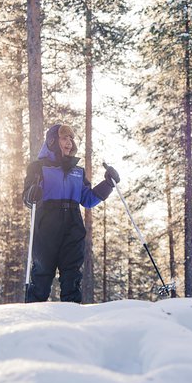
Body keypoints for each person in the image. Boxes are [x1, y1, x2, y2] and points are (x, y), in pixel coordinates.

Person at [22, 123, 120, 303]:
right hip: (47, 225)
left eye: (71, 138)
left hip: (73, 225)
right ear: (52, 141)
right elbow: (28, 199)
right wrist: (32, 193)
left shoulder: (77, 171)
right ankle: (33, 318)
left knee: (72, 274)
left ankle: (71, 317)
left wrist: (108, 184)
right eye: (64, 138)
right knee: (43, 273)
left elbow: (88, 199)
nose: (69, 142)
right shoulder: (38, 168)